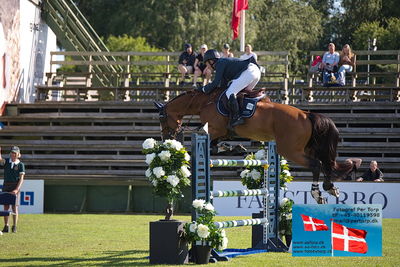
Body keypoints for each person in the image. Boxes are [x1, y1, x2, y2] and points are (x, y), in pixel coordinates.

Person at [197, 49, 261, 128]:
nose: (207, 67)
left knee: (230, 93)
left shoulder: (220, 63)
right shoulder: (222, 64)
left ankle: (236, 118)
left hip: (250, 71)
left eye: (207, 64)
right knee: (239, 94)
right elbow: (222, 86)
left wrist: (203, 89)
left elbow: (215, 83)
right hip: (255, 72)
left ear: (211, 61)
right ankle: (246, 115)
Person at [0, 146, 25, 233]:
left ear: (18, 154)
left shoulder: (21, 165)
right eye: (12, 152)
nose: (13, 154)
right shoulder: (6, 161)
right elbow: (0, 160)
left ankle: (14, 226)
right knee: (5, 207)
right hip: (6, 185)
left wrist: (17, 189)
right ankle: (6, 226)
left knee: (14, 207)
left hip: (15, 185)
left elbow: (21, 178)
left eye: (15, 153)